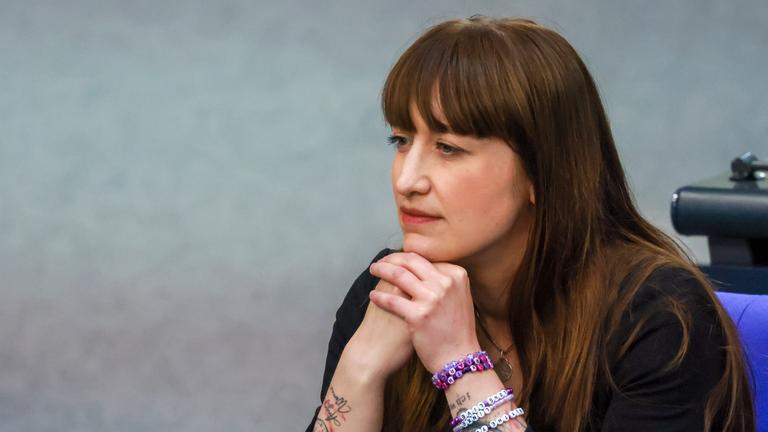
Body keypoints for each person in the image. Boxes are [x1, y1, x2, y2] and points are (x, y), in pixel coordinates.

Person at [306, 15, 755, 432]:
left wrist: (458, 362)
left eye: (448, 148)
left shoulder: (659, 318)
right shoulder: (392, 290)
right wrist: (361, 366)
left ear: (542, 172)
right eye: (401, 140)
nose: (406, 180)